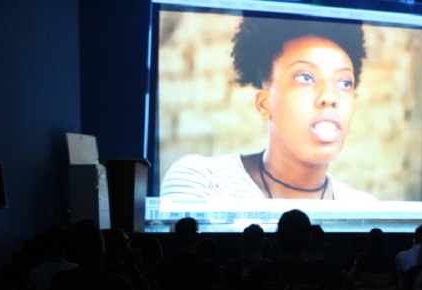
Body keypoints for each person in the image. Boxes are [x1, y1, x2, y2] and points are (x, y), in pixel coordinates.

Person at [160, 17, 375, 201]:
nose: (330, 96)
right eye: (305, 77)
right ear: (264, 103)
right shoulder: (201, 181)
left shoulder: (364, 207)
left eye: (345, 83)